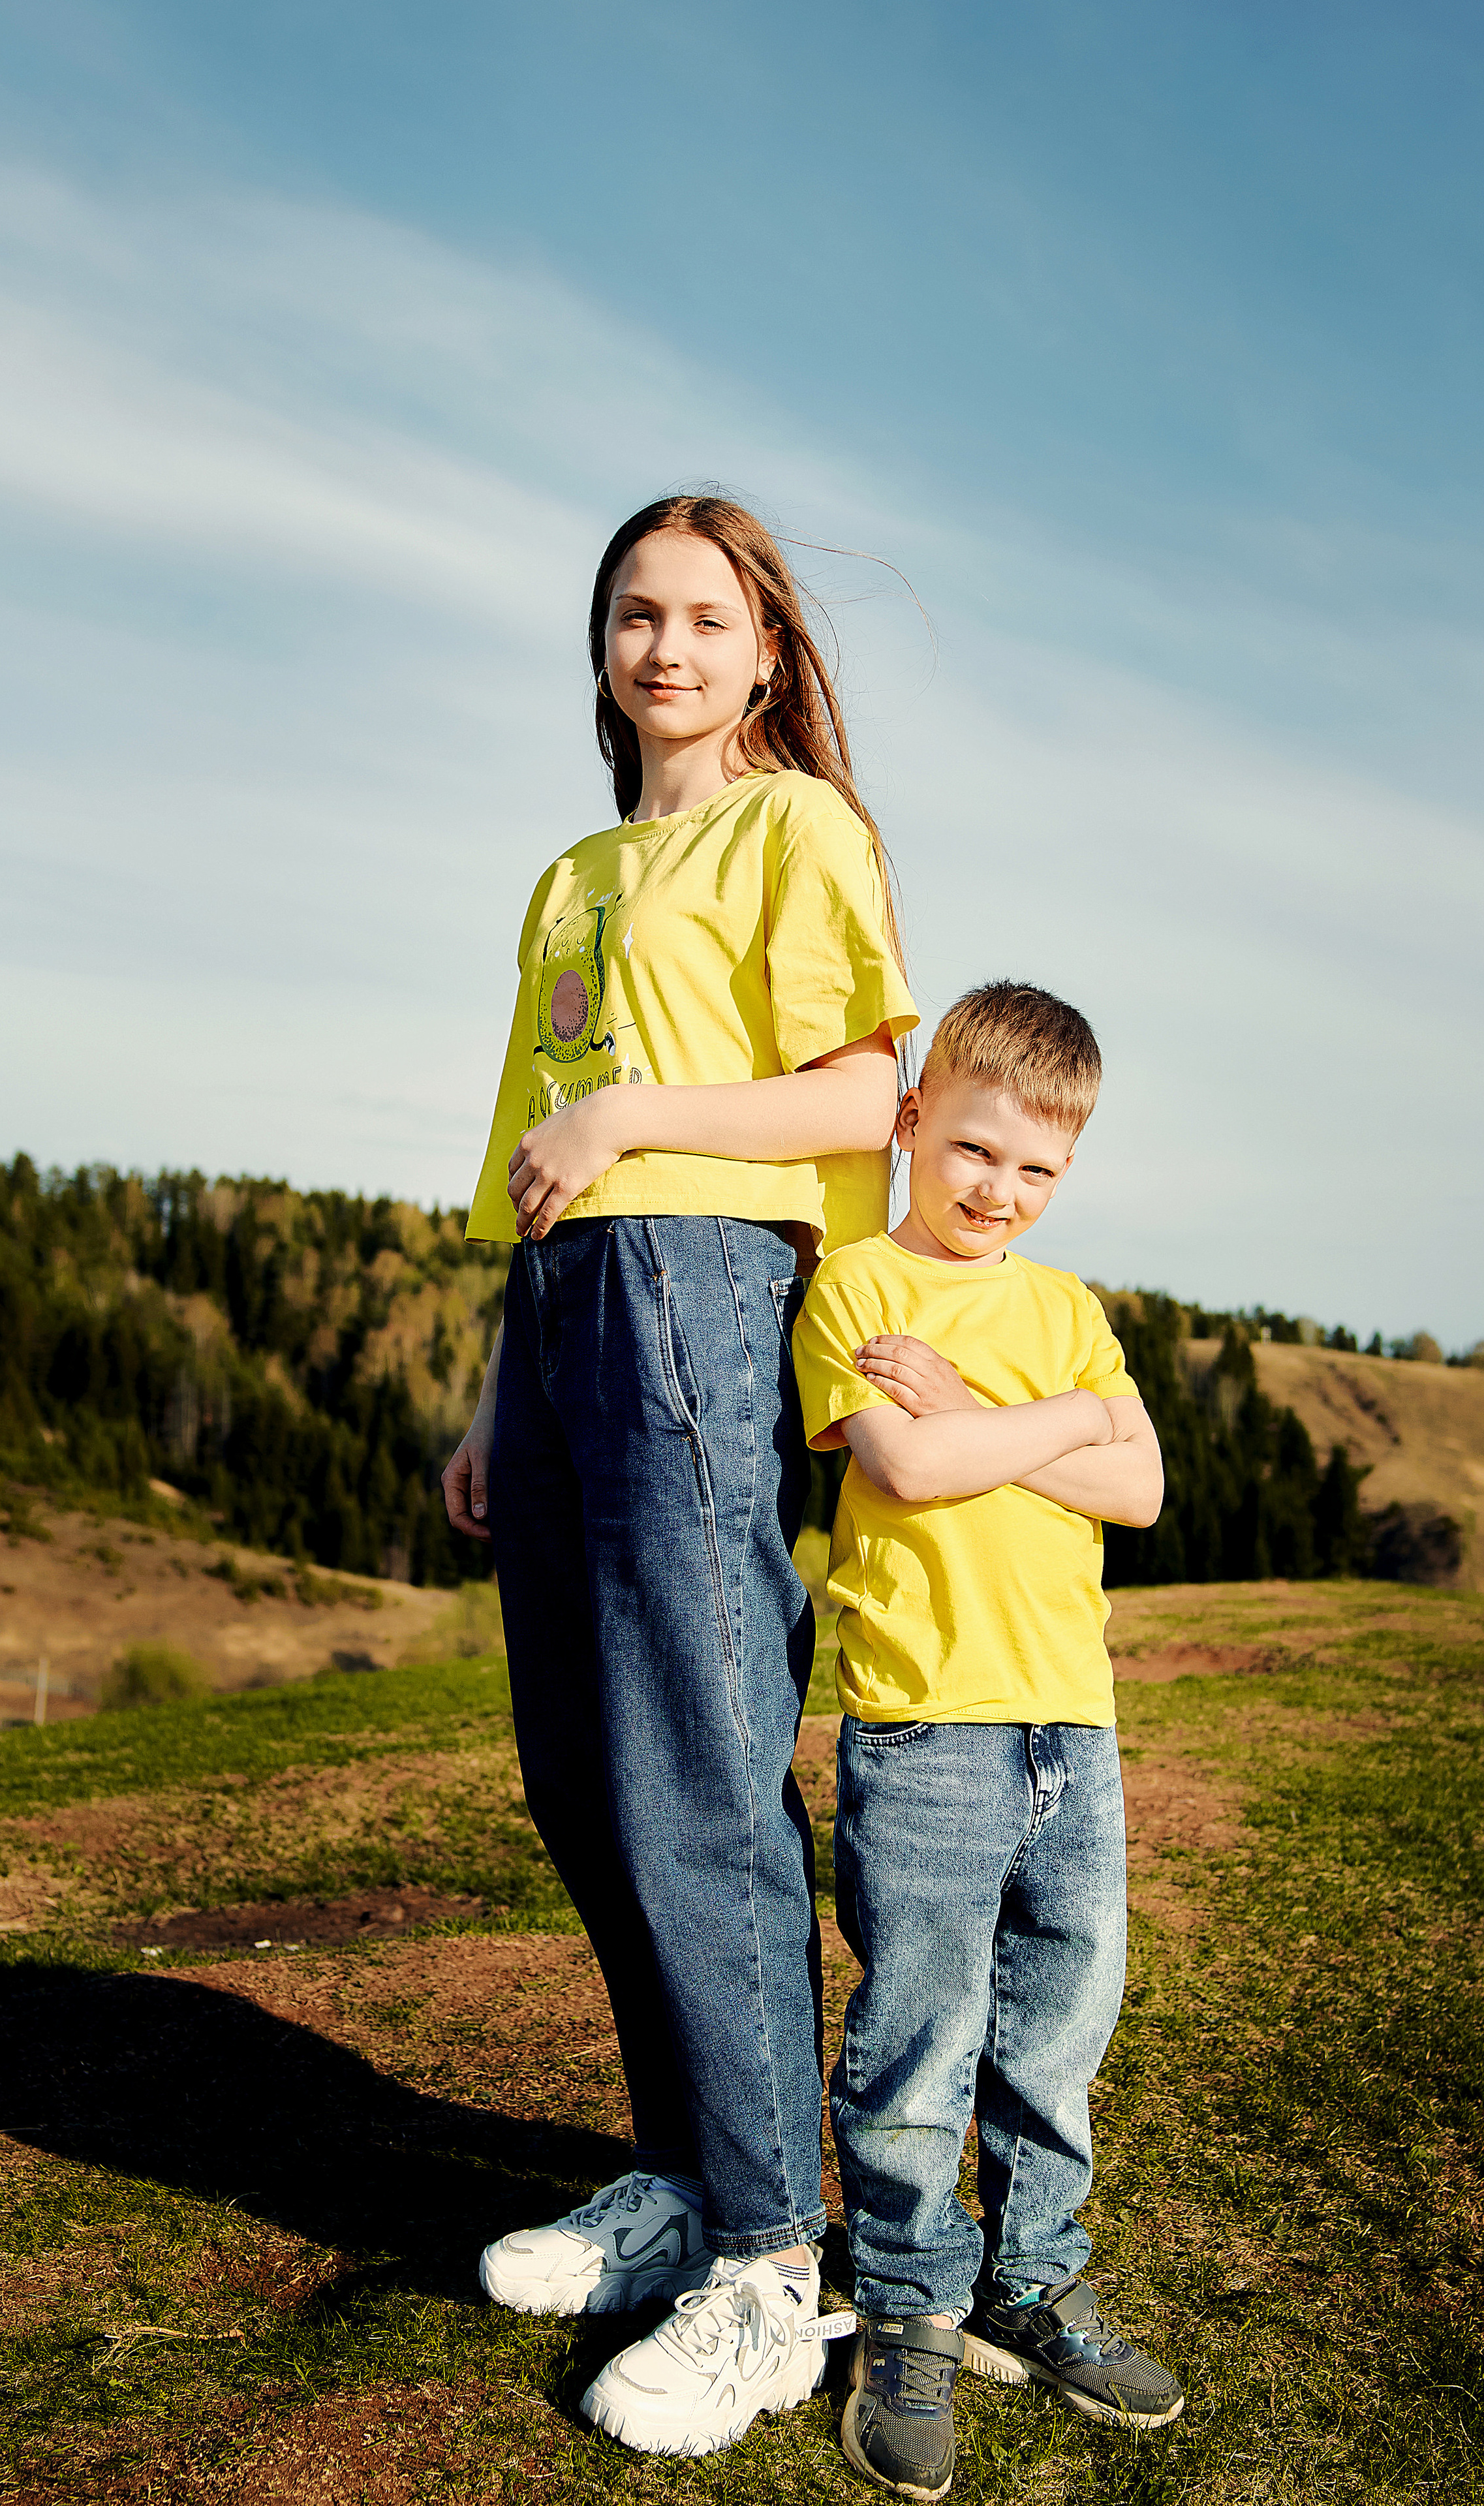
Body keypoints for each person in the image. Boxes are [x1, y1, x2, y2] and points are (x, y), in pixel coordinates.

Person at [440, 494, 919, 2458]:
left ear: (768, 650)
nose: (665, 646)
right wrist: (492, 1389)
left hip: (709, 1285)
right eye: (635, 615)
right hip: (562, 1315)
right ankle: (673, 2176)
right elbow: (542, 1157)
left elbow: (871, 1096)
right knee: (581, 1766)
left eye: (704, 617)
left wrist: (639, 1107)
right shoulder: (571, 874)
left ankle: (763, 2262)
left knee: (701, 1766)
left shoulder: (798, 826)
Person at [790, 980, 1185, 2502]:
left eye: (1032, 1170)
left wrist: (1004, 1419)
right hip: (926, 1726)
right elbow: (907, 1456)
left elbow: (1142, 1496)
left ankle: (1032, 2278)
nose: (993, 1193)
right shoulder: (856, 1290)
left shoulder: (1067, 1310)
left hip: (1068, 1727)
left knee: (1056, 2029)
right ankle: (907, 2307)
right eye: (968, 1150)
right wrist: (1065, 1424)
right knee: (919, 2034)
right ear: (911, 1120)